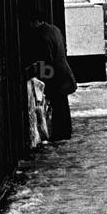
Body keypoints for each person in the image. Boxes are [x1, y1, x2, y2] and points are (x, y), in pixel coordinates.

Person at [28, 8, 77, 141]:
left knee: (57, 108)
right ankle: (65, 133)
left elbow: (46, 60)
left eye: (32, 23)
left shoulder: (41, 35)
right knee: (63, 105)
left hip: (55, 78)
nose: (31, 27)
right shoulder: (55, 30)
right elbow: (63, 49)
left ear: (36, 22)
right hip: (64, 74)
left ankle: (60, 136)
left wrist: (43, 81)